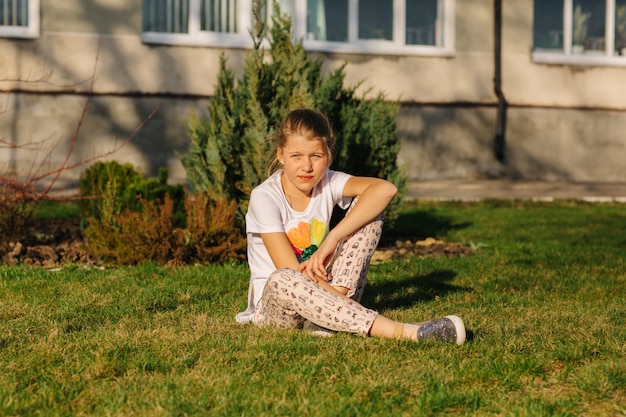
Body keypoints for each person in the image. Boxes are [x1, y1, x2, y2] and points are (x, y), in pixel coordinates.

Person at [236, 108, 466, 345]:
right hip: (278, 308)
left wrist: (333, 237)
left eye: (315, 156)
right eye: (296, 156)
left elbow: (385, 190)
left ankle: (322, 321)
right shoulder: (264, 197)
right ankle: (407, 332)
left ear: (328, 156)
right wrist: (344, 304)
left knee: (368, 213)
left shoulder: (328, 181)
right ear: (280, 155)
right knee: (283, 277)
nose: (306, 166)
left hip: (325, 286)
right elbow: (291, 270)